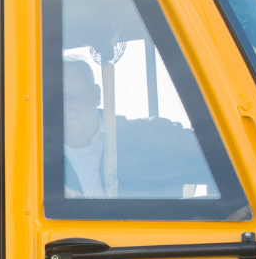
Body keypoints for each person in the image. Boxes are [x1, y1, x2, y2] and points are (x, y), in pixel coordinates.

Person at [58, 56, 214, 199]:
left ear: (95, 94)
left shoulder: (154, 137)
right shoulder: (37, 161)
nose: (60, 108)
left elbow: (225, 164)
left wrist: (201, 218)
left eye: (70, 98)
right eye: (51, 101)